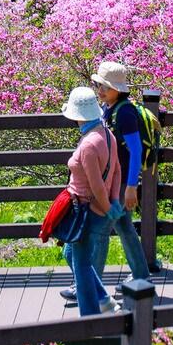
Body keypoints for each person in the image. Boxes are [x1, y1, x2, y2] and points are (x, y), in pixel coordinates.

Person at [59, 62, 153, 303]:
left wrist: (132, 186)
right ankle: (141, 276)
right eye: (99, 85)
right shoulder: (108, 108)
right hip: (113, 179)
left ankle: (90, 286)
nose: (100, 90)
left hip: (120, 183)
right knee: (123, 226)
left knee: (100, 232)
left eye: (105, 86)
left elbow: (134, 151)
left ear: (117, 90)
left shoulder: (125, 113)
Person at [60, 85, 121, 316]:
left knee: (82, 264)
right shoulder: (107, 134)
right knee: (71, 254)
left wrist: (106, 208)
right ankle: (104, 300)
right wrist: (113, 202)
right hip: (98, 207)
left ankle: (90, 316)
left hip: (85, 208)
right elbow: (116, 170)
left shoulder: (88, 144)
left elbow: (95, 184)